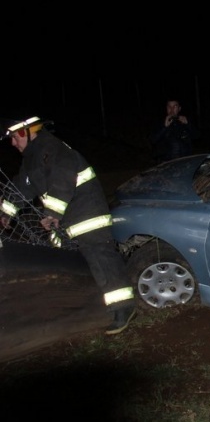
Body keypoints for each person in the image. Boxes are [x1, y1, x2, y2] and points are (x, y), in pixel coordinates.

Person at [0, 116, 136, 335]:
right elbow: (22, 187)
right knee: (71, 262)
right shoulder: (32, 158)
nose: (13, 144)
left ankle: (124, 308)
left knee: (102, 259)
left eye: (14, 138)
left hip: (87, 214)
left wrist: (52, 212)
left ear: (25, 132)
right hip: (68, 219)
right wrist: (6, 213)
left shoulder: (51, 148)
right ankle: (92, 306)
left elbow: (62, 179)